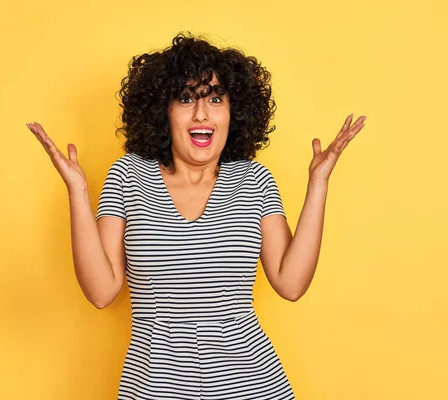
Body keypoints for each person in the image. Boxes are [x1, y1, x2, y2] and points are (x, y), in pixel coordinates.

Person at [27, 32, 365, 400]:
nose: (202, 112)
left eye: (215, 98)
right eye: (186, 98)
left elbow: (291, 283)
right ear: (163, 111)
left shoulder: (253, 180)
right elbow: (101, 291)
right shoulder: (128, 176)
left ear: (233, 112)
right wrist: (77, 192)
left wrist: (318, 183)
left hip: (251, 386)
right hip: (155, 388)